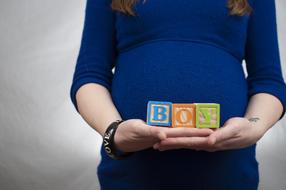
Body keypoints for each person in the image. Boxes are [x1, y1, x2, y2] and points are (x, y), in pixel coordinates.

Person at [69, 0, 286, 189]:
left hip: (227, 174)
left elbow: (268, 81)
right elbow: (90, 75)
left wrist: (253, 126)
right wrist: (113, 134)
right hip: (132, 174)